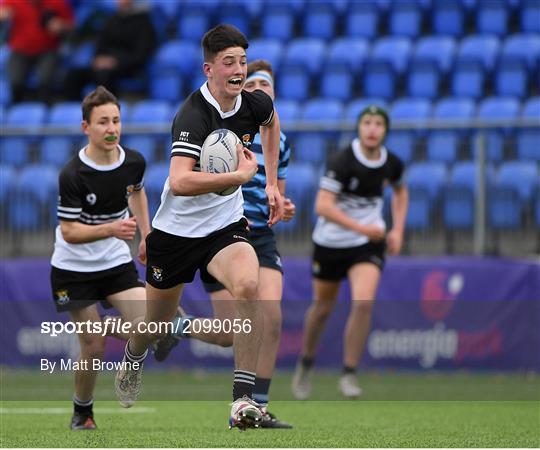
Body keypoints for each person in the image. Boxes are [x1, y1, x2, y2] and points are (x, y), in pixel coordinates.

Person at [114, 25, 284, 431]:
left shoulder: (254, 103)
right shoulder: (193, 114)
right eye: (229, 63)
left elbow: (272, 125)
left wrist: (273, 184)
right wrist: (242, 177)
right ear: (209, 69)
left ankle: (242, 402)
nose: (238, 69)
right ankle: (134, 356)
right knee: (152, 326)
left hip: (224, 226)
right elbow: (179, 181)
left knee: (248, 286)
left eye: (243, 61)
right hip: (175, 235)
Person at [152, 60, 296, 429]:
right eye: (253, 81)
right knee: (232, 333)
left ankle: (254, 406)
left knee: (272, 315)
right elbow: (183, 180)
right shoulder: (218, 127)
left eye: (265, 81)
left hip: (258, 232)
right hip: (218, 229)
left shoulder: (278, 141)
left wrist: (280, 198)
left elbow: (277, 189)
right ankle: (174, 327)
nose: (258, 87)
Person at [50, 85, 150, 430]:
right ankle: (82, 413)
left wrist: (146, 235)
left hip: (113, 263)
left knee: (151, 323)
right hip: (72, 269)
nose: (111, 129)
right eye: (103, 122)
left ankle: (129, 365)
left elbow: (136, 192)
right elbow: (70, 232)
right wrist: (111, 229)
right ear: (86, 128)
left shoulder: (134, 161)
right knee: (92, 346)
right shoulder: (73, 174)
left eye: (116, 121)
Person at [291, 105, 409, 400]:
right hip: (331, 243)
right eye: (366, 122)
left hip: (367, 244)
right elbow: (322, 206)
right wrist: (360, 227)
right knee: (322, 309)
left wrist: (397, 230)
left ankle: (349, 373)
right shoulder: (342, 160)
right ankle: (306, 363)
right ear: (359, 128)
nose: (372, 128)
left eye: (378, 123)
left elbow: (401, 191)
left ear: (385, 130)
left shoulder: (391, 162)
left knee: (363, 302)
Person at [64, 0, 156, 100]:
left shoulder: (144, 23)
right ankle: (77, 111)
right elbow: (100, 44)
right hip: (105, 63)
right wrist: (98, 59)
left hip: (128, 66)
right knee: (74, 76)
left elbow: (141, 54)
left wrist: (116, 62)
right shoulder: (112, 20)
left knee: (104, 75)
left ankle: (108, 110)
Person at [0, 0, 74, 103]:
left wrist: (61, 26)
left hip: (48, 50)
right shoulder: (13, 2)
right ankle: (17, 107)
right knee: (15, 81)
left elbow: (71, 26)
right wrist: (3, 17)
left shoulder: (57, 3)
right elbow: (2, 13)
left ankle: (46, 108)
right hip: (20, 50)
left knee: (46, 80)